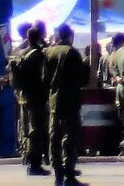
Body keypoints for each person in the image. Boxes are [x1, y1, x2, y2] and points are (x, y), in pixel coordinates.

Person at [44, 24, 90, 185]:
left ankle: (57, 172)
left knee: (54, 136)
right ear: (70, 35)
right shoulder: (72, 53)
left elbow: (44, 77)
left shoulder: (49, 52)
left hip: (54, 99)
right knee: (70, 136)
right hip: (70, 99)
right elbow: (83, 79)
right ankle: (69, 173)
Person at [15, 24, 52, 175]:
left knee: (29, 129)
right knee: (37, 130)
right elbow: (43, 77)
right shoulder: (37, 55)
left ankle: (30, 160)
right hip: (37, 96)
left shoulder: (22, 53)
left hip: (25, 96)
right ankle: (34, 164)